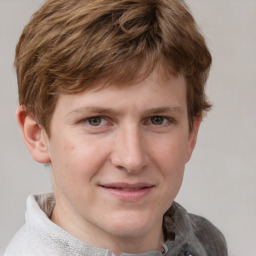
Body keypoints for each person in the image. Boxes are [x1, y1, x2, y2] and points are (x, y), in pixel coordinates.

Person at [4, 0, 228, 255]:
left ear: (191, 135)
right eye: (95, 121)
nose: (132, 159)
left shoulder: (206, 242)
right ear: (37, 136)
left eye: (158, 120)